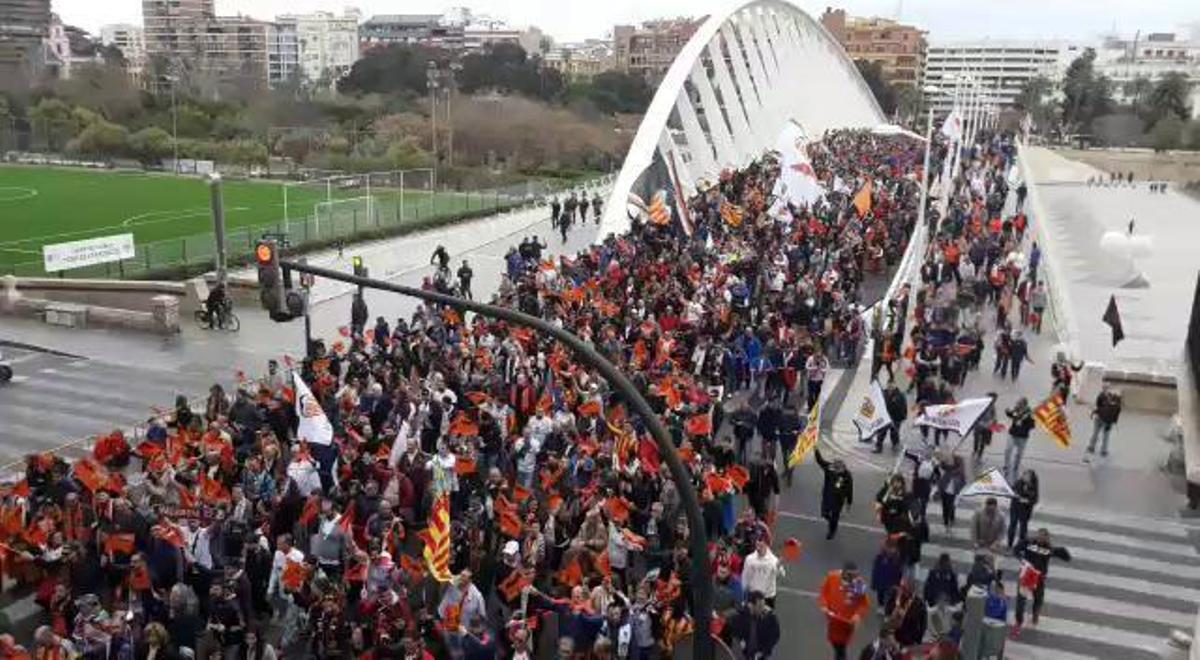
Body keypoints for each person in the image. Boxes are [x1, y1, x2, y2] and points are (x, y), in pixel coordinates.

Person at [1012, 528, 1071, 634]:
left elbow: (1066, 556)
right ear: (1037, 536)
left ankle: (1035, 614)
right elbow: (1016, 550)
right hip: (1027, 575)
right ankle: (1018, 621)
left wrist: (1057, 549)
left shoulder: (1049, 548)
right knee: (1021, 600)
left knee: (1038, 598)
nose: (1041, 539)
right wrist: (1022, 559)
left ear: (1047, 538)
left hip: (1039, 577)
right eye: (1040, 536)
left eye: (1044, 538)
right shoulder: (1029, 542)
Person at [818, 562, 870, 660]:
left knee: (841, 648)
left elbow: (864, 604)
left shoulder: (859, 584)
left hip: (847, 623)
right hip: (834, 621)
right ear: (844, 573)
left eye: (855, 575)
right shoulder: (832, 577)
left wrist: (858, 615)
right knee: (836, 644)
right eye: (850, 575)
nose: (853, 579)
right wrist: (824, 606)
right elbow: (823, 593)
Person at [727, 590, 781, 659]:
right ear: (751, 605)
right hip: (742, 654)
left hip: (761, 654)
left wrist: (764, 651)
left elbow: (775, 635)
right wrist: (741, 644)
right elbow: (734, 635)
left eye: (763, 605)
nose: (762, 609)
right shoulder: (740, 617)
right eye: (759, 606)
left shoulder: (770, 618)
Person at [814, 448, 853, 539]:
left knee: (835, 517)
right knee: (824, 513)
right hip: (827, 495)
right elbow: (820, 461)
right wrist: (816, 450)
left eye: (839, 469)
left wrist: (849, 502)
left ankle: (832, 531)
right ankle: (829, 519)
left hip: (838, 500)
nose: (837, 471)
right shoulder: (829, 468)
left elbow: (850, 489)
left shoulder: (847, 475)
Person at [741, 537, 785, 608]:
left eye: (761, 543)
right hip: (753, 596)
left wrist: (778, 566)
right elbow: (745, 577)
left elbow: (782, 575)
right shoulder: (749, 559)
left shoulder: (773, 560)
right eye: (757, 543)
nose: (758, 546)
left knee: (767, 618)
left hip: (768, 596)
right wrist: (743, 595)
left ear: (766, 544)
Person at [1004, 398, 1035, 479]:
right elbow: (1011, 415)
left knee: (1019, 454)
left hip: (1022, 437)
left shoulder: (1029, 413)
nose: (1017, 404)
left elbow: (1032, 425)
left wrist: (1024, 423)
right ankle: (1006, 465)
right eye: (1017, 403)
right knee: (1008, 449)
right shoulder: (1016, 410)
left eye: (1019, 403)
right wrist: (1007, 411)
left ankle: (1016, 465)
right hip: (1013, 434)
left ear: (1024, 405)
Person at [1088, 385, 1122, 457]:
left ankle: (1098, 449)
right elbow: (1099, 407)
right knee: (1098, 434)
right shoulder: (1104, 398)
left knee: (1102, 435)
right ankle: (1095, 448)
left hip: (1105, 421)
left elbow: (1115, 416)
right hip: (1101, 419)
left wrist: (1112, 423)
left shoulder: (1115, 406)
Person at [1008, 470, 1039, 547]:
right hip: (1015, 507)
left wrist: (1027, 501)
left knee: (1023, 528)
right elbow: (1012, 491)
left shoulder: (1033, 486)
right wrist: (1016, 496)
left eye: (1027, 476)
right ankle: (1010, 543)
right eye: (1024, 475)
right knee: (1012, 525)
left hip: (1025, 510)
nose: (1024, 477)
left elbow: (1035, 499)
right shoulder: (1019, 482)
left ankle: (1021, 544)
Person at [874, 381, 907, 453]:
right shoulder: (884, 393)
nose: (890, 388)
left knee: (894, 432)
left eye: (891, 386)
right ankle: (878, 447)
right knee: (881, 432)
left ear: (894, 386)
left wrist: (903, 416)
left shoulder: (900, 395)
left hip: (896, 417)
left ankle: (895, 445)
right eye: (889, 386)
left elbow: (904, 406)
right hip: (886, 417)